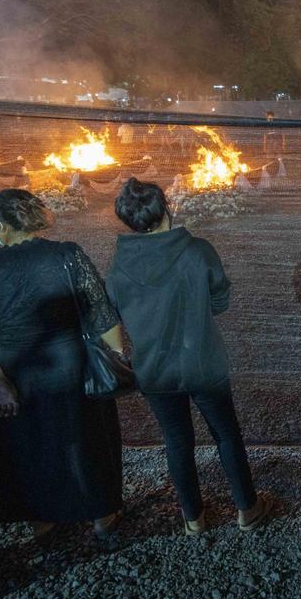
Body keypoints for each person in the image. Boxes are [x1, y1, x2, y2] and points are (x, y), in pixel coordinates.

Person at [0, 189, 126, 541]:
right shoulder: (67, 255)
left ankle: (42, 520)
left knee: (28, 444)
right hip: (71, 364)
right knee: (88, 437)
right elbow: (101, 311)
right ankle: (102, 514)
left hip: (17, 369)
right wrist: (116, 356)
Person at [105, 178, 269, 534]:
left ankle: (193, 518)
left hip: (154, 369)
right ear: (166, 209)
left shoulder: (119, 266)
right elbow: (220, 299)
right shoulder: (197, 250)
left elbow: (114, 311)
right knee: (226, 433)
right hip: (204, 362)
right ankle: (247, 508)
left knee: (177, 440)